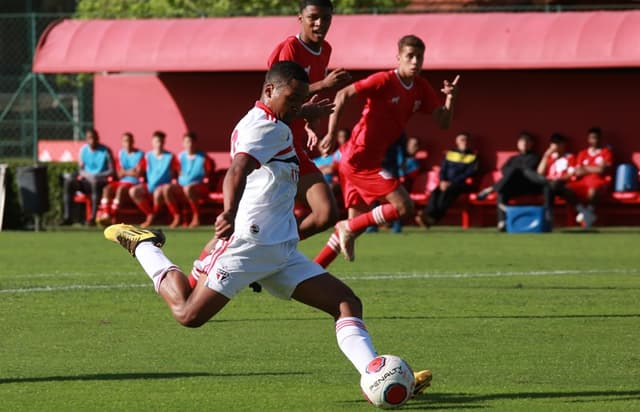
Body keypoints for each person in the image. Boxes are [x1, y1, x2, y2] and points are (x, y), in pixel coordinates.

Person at [102, 61, 432, 400]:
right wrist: (228, 212)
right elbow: (237, 170)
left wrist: (304, 107)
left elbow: (283, 115)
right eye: (292, 98)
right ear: (269, 91)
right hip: (247, 245)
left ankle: (378, 376)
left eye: (301, 98)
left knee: (346, 303)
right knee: (187, 313)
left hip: (282, 251)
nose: (296, 106)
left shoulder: (275, 119)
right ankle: (145, 245)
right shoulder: (261, 128)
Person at [314, 34, 459, 266]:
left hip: (367, 160)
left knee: (354, 228)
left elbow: (443, 122)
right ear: (398, 58)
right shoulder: (383, 80)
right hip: (358, 159)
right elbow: (343, 94)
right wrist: (331, 133)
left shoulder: (421, 88)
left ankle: (311, 271)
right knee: (403, 206)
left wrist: (450, 99)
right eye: (409, 56)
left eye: (419, 57)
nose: (415, 62)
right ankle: (346, 227)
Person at [267, 0, 351, 241]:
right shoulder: (290, 49)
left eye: (326, 18)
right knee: (246, 223)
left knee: (326, 213)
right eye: (314, 17)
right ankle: (202, 271)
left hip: (292, 143)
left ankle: (273, 252)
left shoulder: (325, 49)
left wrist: (310, 124)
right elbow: (277, 100)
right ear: (300, 18)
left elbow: (307, 99)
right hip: (270, 141)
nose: (320, 23)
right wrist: (325, 85)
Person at [476, 132, 549, 231]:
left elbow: (527, 170)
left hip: (529, 186)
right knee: (502, 192)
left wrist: (514, 170)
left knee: (516, 171)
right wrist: (513, 171)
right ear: (518, 144)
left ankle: (491, 189)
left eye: (527, 142)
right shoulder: (513, 158)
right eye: (522, 142)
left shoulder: (535, 157)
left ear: (531, 144)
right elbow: (504, 170)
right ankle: (502, 222)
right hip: (515, 185)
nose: (524, 144)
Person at [417, 132, 478, 227]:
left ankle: (431, 218)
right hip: (445, 183)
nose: (464, 142)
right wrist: (442, 181)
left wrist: (451, 182)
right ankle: (429, 216)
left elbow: (470, 173)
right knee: (435, 192)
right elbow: (443, 169)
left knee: (446, 194)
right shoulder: (450, 154)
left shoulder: (473, 156)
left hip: (461, 184)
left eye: (466, 140)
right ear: (457, 141)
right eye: (462, 140)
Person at [62, 128, 114, 225]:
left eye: (94, 138)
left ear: (98, 138)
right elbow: (81, 170)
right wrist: (88, 176)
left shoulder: (106, 151)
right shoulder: (83, 151)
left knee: (95, 183)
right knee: (69, 182)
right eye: (89, 138)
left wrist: (97, 176)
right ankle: (68, 217)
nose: (92, 140)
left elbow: (112, 171)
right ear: (86, 139)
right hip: (86, 181)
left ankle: (92, 218)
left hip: (100, 181)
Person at [129, 131, 180, 227]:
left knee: (158, 192)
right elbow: (139, 171)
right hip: (150, 186)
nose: (159, 144)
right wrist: (130, 171)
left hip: (163, 187)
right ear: (152, 142)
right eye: (157, 141)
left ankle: (167, 217)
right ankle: (150, 214)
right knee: (133, 191)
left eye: (161, 141)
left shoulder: (170, 156)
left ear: (164, 142)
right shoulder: (147, 156)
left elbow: (176, 172)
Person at [564, 127, 613, 227]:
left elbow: (602, 170)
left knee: (593, 191)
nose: (594, 140)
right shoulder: (582, 153)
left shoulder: (606, 152)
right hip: (583, 182)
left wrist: (585, 168)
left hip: (598, 181)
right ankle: (584, 212)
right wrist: (594, 168)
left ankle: (588, 213)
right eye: (592, 138)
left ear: (600, 139)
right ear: (588, 139)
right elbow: (577, 171)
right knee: (566, 189)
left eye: (596, 138)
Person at [164, 132, 215, 228]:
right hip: (182, 186)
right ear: (183, 143)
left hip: (199, 187)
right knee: (166, 188)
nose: (189, 144)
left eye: (192, 142)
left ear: (196, 143)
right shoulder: (180, 157)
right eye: (187, 142)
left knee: (188, 188)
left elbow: (209, 174)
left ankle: (196, 216)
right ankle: (176, 216)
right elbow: (176, 172)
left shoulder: (204, 157)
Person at [96, 132, 144, 226]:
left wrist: (125, 171)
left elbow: (138, 173)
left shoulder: (140, 154)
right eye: (125, 141)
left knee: (120, 190)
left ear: (133, 141)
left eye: (129, 141)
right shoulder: (121, 154)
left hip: (133, 183)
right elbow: (118, 173)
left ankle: (111, 216)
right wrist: (130, 171)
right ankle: (106, 214)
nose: (128, 143)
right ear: (122, 143)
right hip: (121, 181)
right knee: (107, 189)